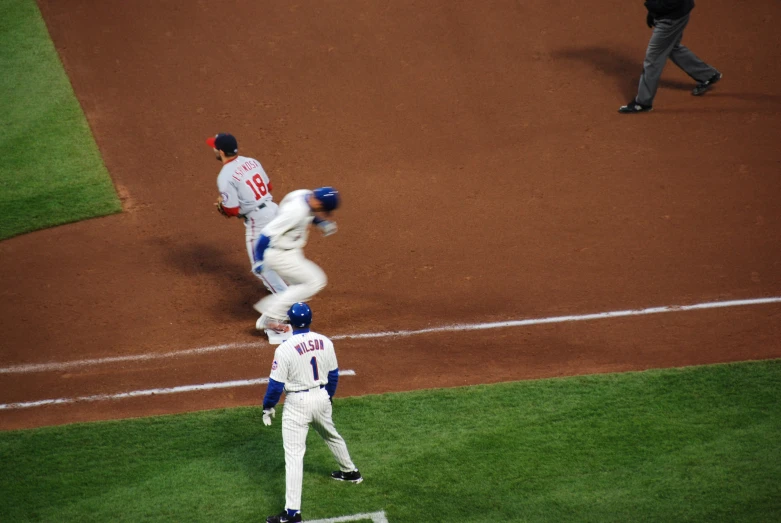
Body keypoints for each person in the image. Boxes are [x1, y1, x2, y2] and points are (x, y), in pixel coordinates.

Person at [261, 302, 362, 523]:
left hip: (297, 404)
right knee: (330, 434)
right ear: (311, 320)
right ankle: (350, 472)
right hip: (321, 397)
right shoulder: (325, 342)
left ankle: (292, 513)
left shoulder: (285, 349)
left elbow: (276, 386)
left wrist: (268, 407)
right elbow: (334, 375)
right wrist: (328, 398)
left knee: (294, 456)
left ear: (290, 323)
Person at [206, 133, 288, 324]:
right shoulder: (252, 161)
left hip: (258, 221)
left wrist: (222, 207)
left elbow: (232, 210)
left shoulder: (225, 176)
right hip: (276, 212)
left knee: (260, 267)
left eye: (214, 147)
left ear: (220, 151)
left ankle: (289, 304)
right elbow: (269, 186)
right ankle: (287, 284)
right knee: (279, 253)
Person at [252, 187, 340, 339]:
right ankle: (270, 317)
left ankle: (274, 312)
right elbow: (266, 234)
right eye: (323, 209)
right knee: (314, 281)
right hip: (279, 254)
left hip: (290, 251)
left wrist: (320, 222)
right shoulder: (295, 212)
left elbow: (309, 213)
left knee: (299, 286)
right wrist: (259, 260)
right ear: (319, 203)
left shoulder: (303, 194)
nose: (321, 212)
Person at [619, 0, 721, 113]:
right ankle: (707, 75)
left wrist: (653, 8)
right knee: (671, 47)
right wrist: (653, 13)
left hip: (670, 19)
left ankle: (643, 103)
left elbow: (671, 3)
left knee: (653, 59)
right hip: (675, 14)